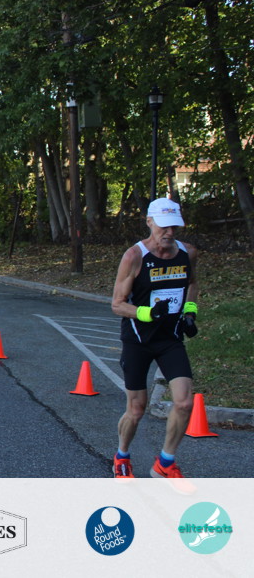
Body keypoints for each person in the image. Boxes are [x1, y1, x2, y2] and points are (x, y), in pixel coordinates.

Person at [110, 198, 199, 479]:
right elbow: (117, 304)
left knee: (184, 403)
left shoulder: (187, 253)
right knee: (136, 409)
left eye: (174, 227)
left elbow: (192, 283)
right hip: (138, 340)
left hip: (170, 339)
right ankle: (122, 455)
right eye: (164, 226)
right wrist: (147, 313)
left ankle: (165, 462)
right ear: (149, 222)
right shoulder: (134, 256)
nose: (169, 232)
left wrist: (190, 312)